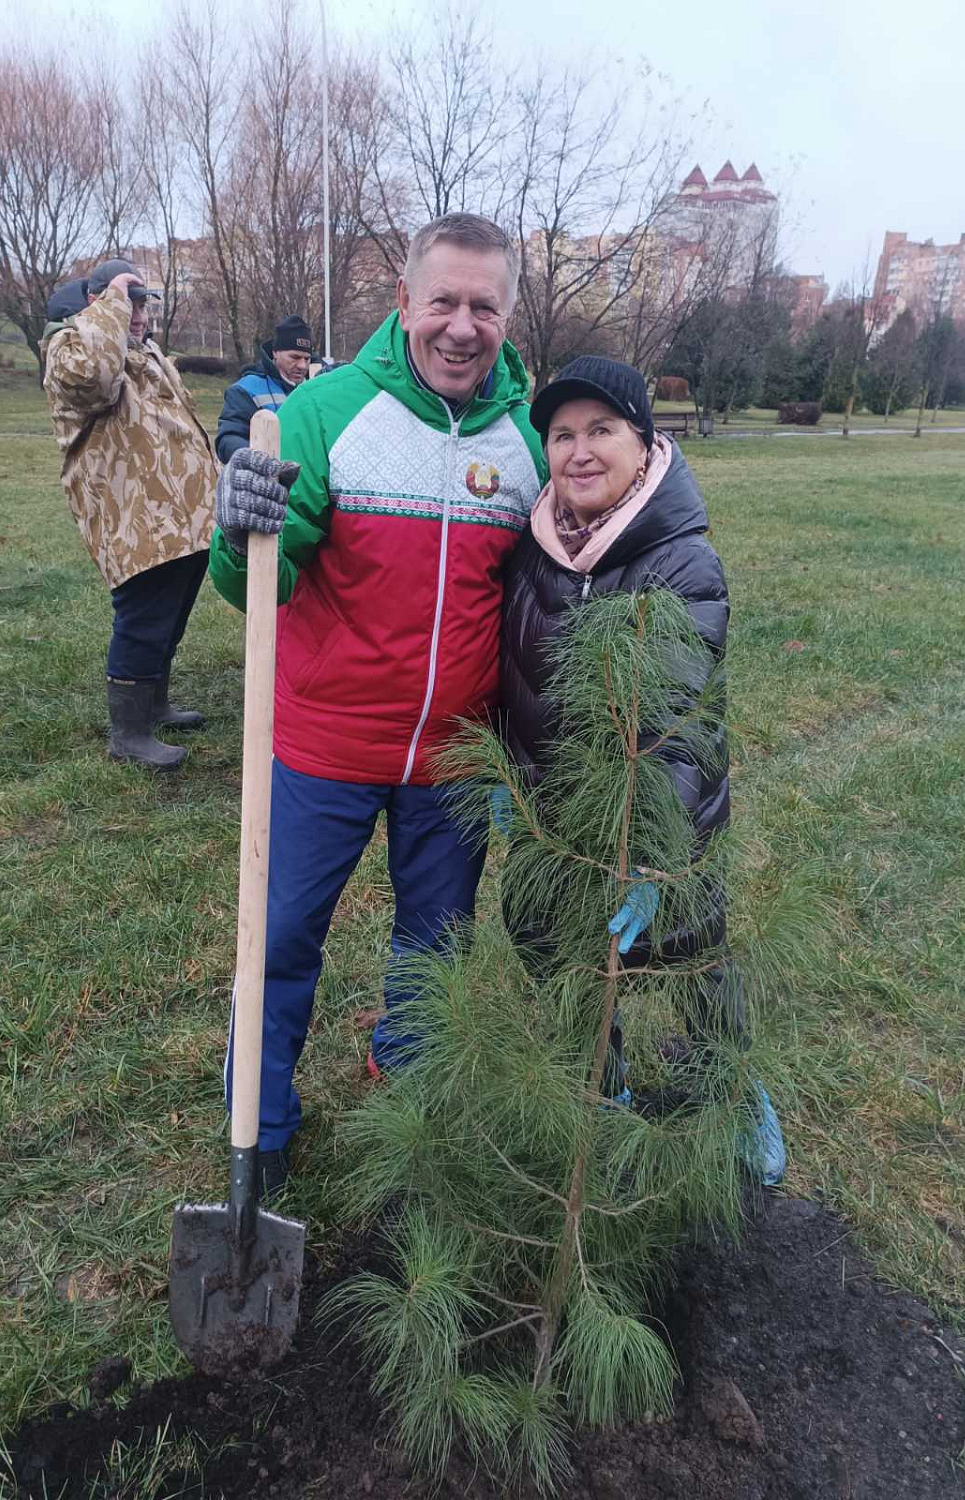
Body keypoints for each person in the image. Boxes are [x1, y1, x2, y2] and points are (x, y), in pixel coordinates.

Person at [210, 213, 548, 1194]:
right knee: (278, 939)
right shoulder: (325, 413)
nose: (462, 326)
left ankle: (409, 1095)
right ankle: (259, 1126)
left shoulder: (527, 438)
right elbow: (257, 585)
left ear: (508, 314)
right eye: (443, 301)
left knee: (435, 949)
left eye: (484, 306)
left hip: (454, 758)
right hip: (321, 743)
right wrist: (237, 532)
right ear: (403, 302)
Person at [498, 355, 785, 1183]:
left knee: (691, 954)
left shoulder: (679, 562)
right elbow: (510, 669)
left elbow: (683, 721)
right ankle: (602, 1081)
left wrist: (655, 855)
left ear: (642, 442)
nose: (579, 451)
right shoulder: (537, 546)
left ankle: (731, 1087)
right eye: (561, 435)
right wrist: (504, 772)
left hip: (665, 817)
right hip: (553, 814)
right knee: (554, 947)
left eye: (601, 430)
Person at [42, 258, 218, 770]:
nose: (138, 314)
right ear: (96, 303)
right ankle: (129, 733)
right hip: (134, 519)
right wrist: (113, 302)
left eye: (142, 304)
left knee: (170, 615)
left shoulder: (142, 350)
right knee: (143, 617)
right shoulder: (69, 350)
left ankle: (155, 704)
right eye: (129, 303)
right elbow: (95, 381)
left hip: (182, 517)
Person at [215, 315, 313, 463]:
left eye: (307, 359)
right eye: (295, 357)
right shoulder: (245, 390)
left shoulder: (315, 388)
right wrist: (256, 460)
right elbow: (227, 440)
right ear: (275, 353)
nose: (302, 365)